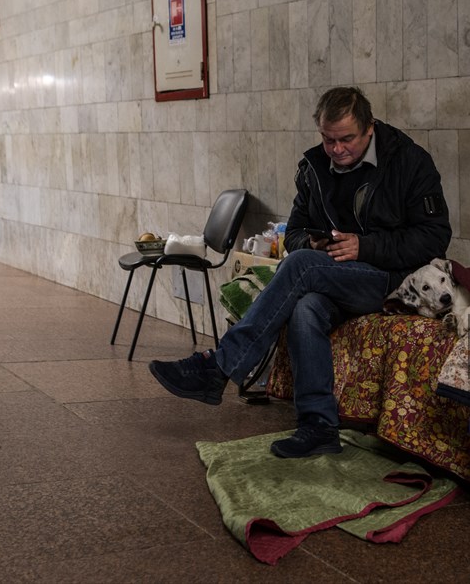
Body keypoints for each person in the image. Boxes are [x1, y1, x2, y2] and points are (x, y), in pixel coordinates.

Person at [149, 86, 452, 458]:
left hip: (390, 280)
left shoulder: (409, 161)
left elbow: (435, 238)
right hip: (333, 275)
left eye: (346, 139)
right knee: (306, 305)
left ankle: (219, 366)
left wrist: (366, 246)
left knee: (301, 269)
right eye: (328, 140)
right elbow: (293, 231)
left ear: (369, 128)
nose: (337, 149)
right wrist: (311, 244)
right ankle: (319, 425)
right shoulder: (314, 167)